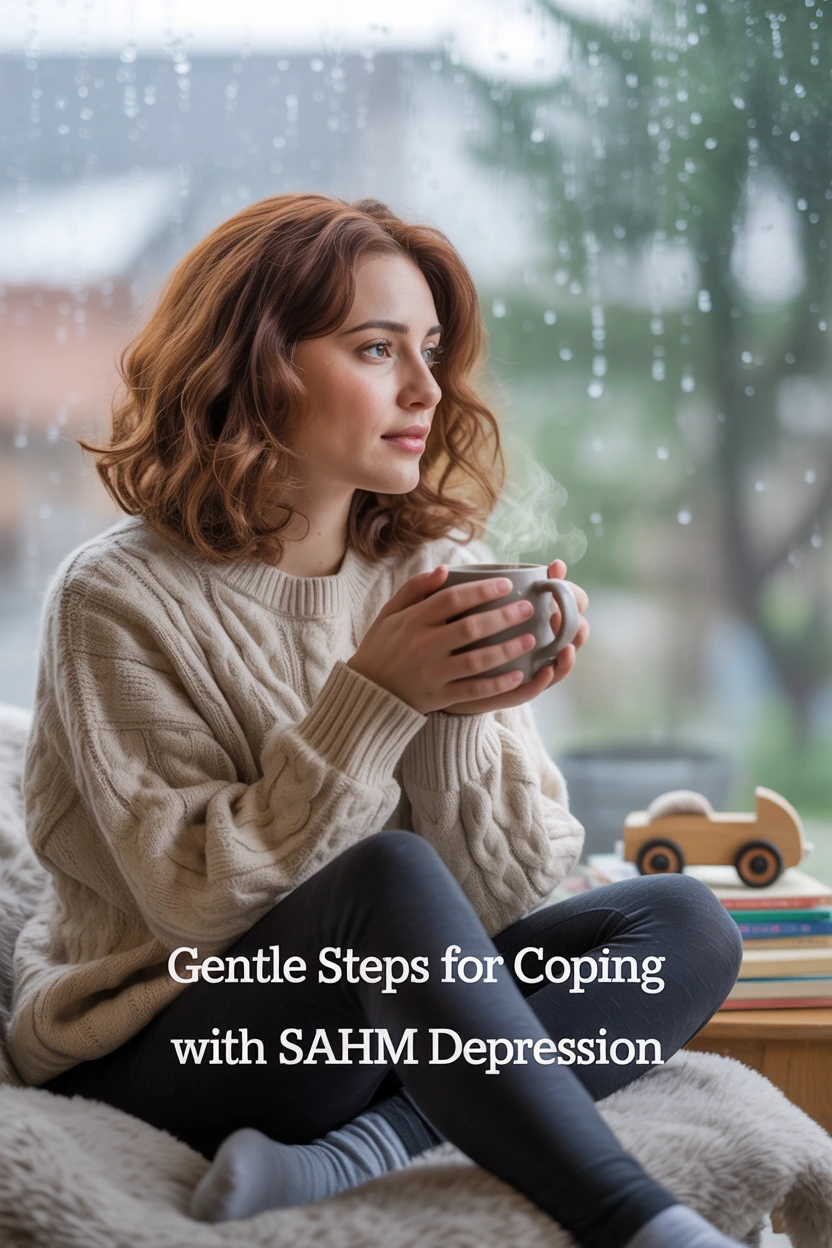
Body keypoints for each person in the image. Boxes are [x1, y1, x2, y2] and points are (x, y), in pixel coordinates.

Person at [10, 193, 747, 1248]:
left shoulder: (424, 570)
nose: (425, 388)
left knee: (677, 924)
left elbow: (494, 904)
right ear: (256, 365)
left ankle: (358, 1153)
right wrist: (380, 697)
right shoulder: (113, 598)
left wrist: (457, 707)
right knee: (387, 880)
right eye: (374, 348)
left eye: (432, 351)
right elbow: (194, 903)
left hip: (372, 1036)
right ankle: (643, 1226)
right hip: (177, 1044)